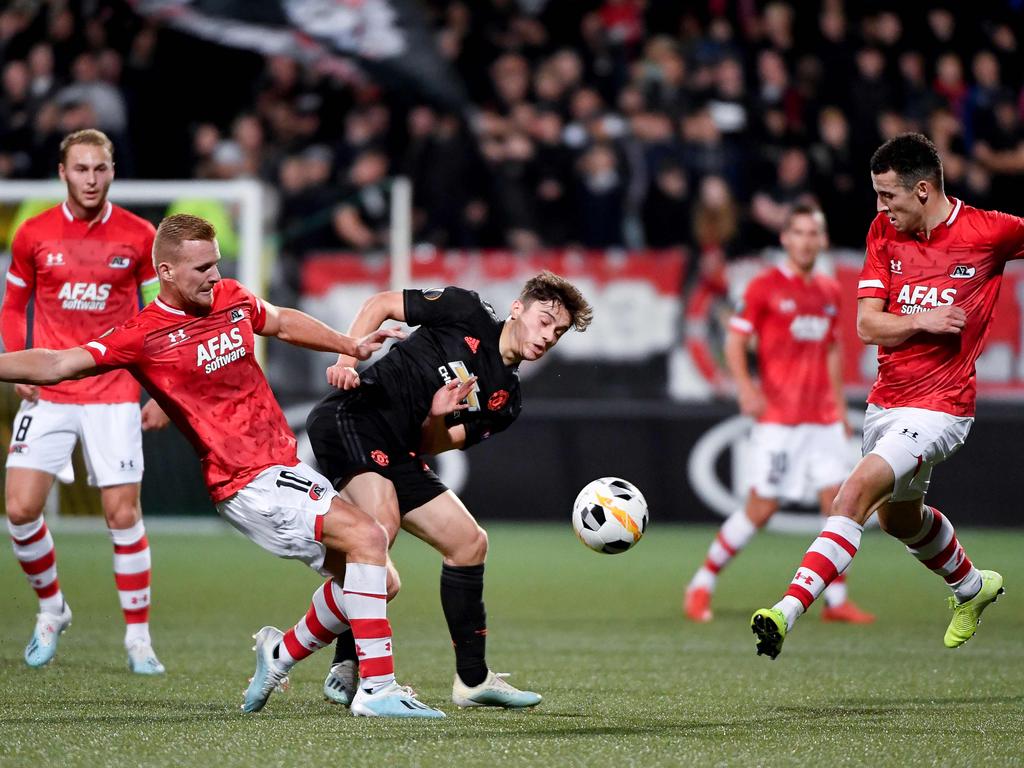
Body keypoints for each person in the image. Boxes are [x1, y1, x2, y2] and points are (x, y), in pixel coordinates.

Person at [0, 213, 445, 719]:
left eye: (215, 264)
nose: (214, 276)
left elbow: (278, 320)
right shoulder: (144, 335)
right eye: (201, 268)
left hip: (279, 464)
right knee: (368, 537)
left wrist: (348, 345)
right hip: (246, 480)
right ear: (166, 272)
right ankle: (377, 689)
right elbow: (59, 364)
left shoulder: (230, 296)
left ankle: (280, 653)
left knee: (377, 581)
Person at [751, 133, 1021, 659]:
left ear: (923, 190)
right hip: (887, 402)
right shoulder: (884, 233)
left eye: (887, 195)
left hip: (943, 406)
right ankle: (972, 587)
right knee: (898, 519)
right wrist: (924, 319)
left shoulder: (989, 232)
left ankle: (785, 611)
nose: (880, 207)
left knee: (854, 491)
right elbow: (868, 326)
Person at [304, 272, 593, 709]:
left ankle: (473, 681)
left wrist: (437, 416)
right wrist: (346, 362)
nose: (549, 336)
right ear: (518, 307)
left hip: (399, 445)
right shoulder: (466, 310)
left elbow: (432, 443)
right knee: (377, 531)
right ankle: (348, 665)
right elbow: (381, 303)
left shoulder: (505, 400)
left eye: (558, 331)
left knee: (468, 542)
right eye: (544, 320)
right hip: (355, 415)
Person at [1, 129, 169, 674]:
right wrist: (17, 361)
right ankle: (53, 609)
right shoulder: (32, 234)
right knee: (20, 508)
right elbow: (12, 306)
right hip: (50, 390)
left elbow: (159, 319)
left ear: (112, 171)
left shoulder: (141, 236)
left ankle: (138, 639)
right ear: (63, 172)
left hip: (114, 391)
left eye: (100, 169)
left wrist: (161, 391)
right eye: (81, 169)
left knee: (122, 514)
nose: (91, 179)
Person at [684, 204, 874, 625]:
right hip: (780, 419)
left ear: (822, 240)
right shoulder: (763, 287)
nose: (807, 240)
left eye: (814, 233)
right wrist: (746, 389)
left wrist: (840, 405)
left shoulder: (828, 290)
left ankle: (836, 600)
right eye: (799, 232)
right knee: (762, 507)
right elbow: (735, 343)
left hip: (823, 417)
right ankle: (701, 582)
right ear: (785, 239)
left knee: (840, 506)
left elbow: (831, 349)